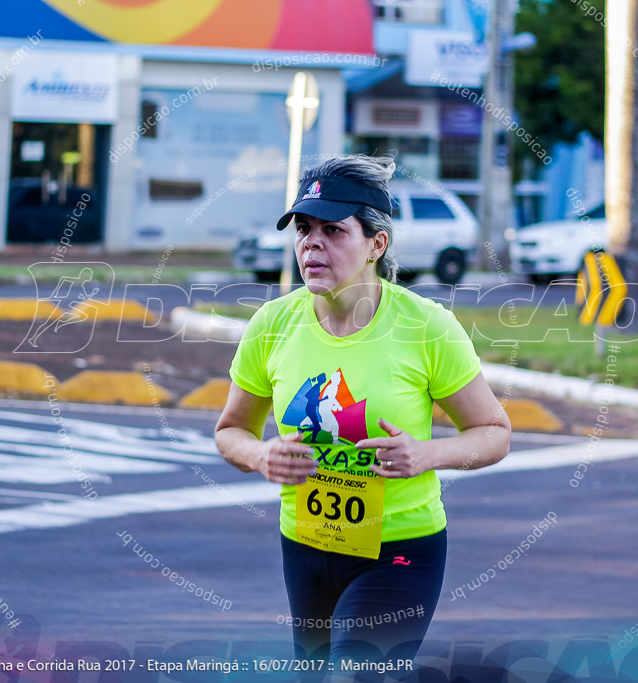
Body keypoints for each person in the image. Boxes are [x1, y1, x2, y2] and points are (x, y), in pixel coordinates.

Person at [214, 155, 511, 669]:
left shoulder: (426, 327)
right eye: (304, 229)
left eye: (334, 230)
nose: (312, 243)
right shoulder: (272, 324)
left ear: (377, 243)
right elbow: (231, 430)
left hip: (400, 552)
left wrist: (425, 455)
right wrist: (261, 455)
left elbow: (494, 432)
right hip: (305, 547)